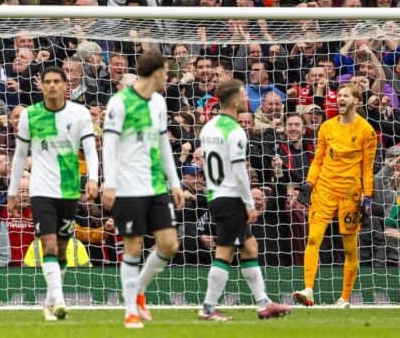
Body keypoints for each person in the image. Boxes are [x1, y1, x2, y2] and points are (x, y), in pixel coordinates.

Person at [7, 66, 99, 321]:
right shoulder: (30, 115)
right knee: (47, 243)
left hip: (69, 189)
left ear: (65, 85)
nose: (52, 86)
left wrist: (93, 179)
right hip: (41, 189)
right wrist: (13, 191)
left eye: (57, 81)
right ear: (41, 85)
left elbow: (90, 150)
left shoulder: (79, 113)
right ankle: (59, 301)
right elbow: (20, 155)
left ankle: (49, 301)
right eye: (47, 82)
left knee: (61, 248)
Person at [101, 50, 184, 329]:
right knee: (133, 247)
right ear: (158, 72)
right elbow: (109, 145)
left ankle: (138, 291)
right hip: (127, 187)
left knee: (170, 245)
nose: (168, 77)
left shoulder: (159, 103)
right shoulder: (120, 102)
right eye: (166, 71)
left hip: (156, 185)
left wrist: (175, 183)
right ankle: (130, 312)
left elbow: (163, 145)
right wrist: (109, 182)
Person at [198, 79, 291, 321]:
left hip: (215, 195)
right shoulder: (236, 131)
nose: (246, 98)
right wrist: (249, 204)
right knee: (225, 251)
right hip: (231, 198)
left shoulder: (208, 128)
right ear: (236, 100)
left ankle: (264, 303)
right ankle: (208, 308)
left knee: (250, 247)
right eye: (243, 94)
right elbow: (239, 172)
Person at [294, 83, 377, 307]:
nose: (340, 99)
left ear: (356, 101)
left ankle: (345, 297)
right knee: (313, 238)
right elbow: (318, 159)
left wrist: (367, 198)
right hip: (325, 190)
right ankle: (308, 289)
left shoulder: (366, 131)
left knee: (350, 247)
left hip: (351, 194)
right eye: (339, 95)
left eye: (346, 96)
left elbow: (367, 168)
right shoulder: (327, 128)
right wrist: (309, 184)